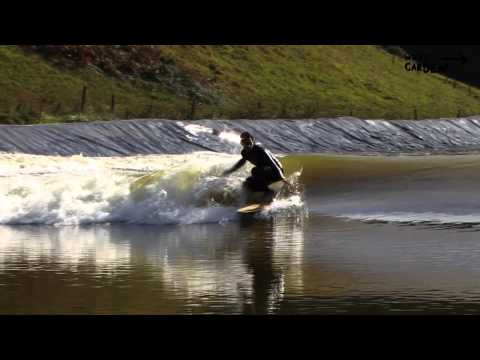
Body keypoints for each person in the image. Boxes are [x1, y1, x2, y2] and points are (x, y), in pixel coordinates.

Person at [223, 132, 291, 201]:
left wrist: (281, 177)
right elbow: (241, 163)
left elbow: (273, 164)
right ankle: (252, 200)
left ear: (253, 141)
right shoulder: (244, 153)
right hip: (264, 172)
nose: (247, 144)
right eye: (244, 141)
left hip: (275, 171)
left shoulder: (260, 150)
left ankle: (269, 192)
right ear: (241, 143)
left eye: (249, 141)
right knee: (247, 183)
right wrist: (230, 171)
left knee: (255, 170)